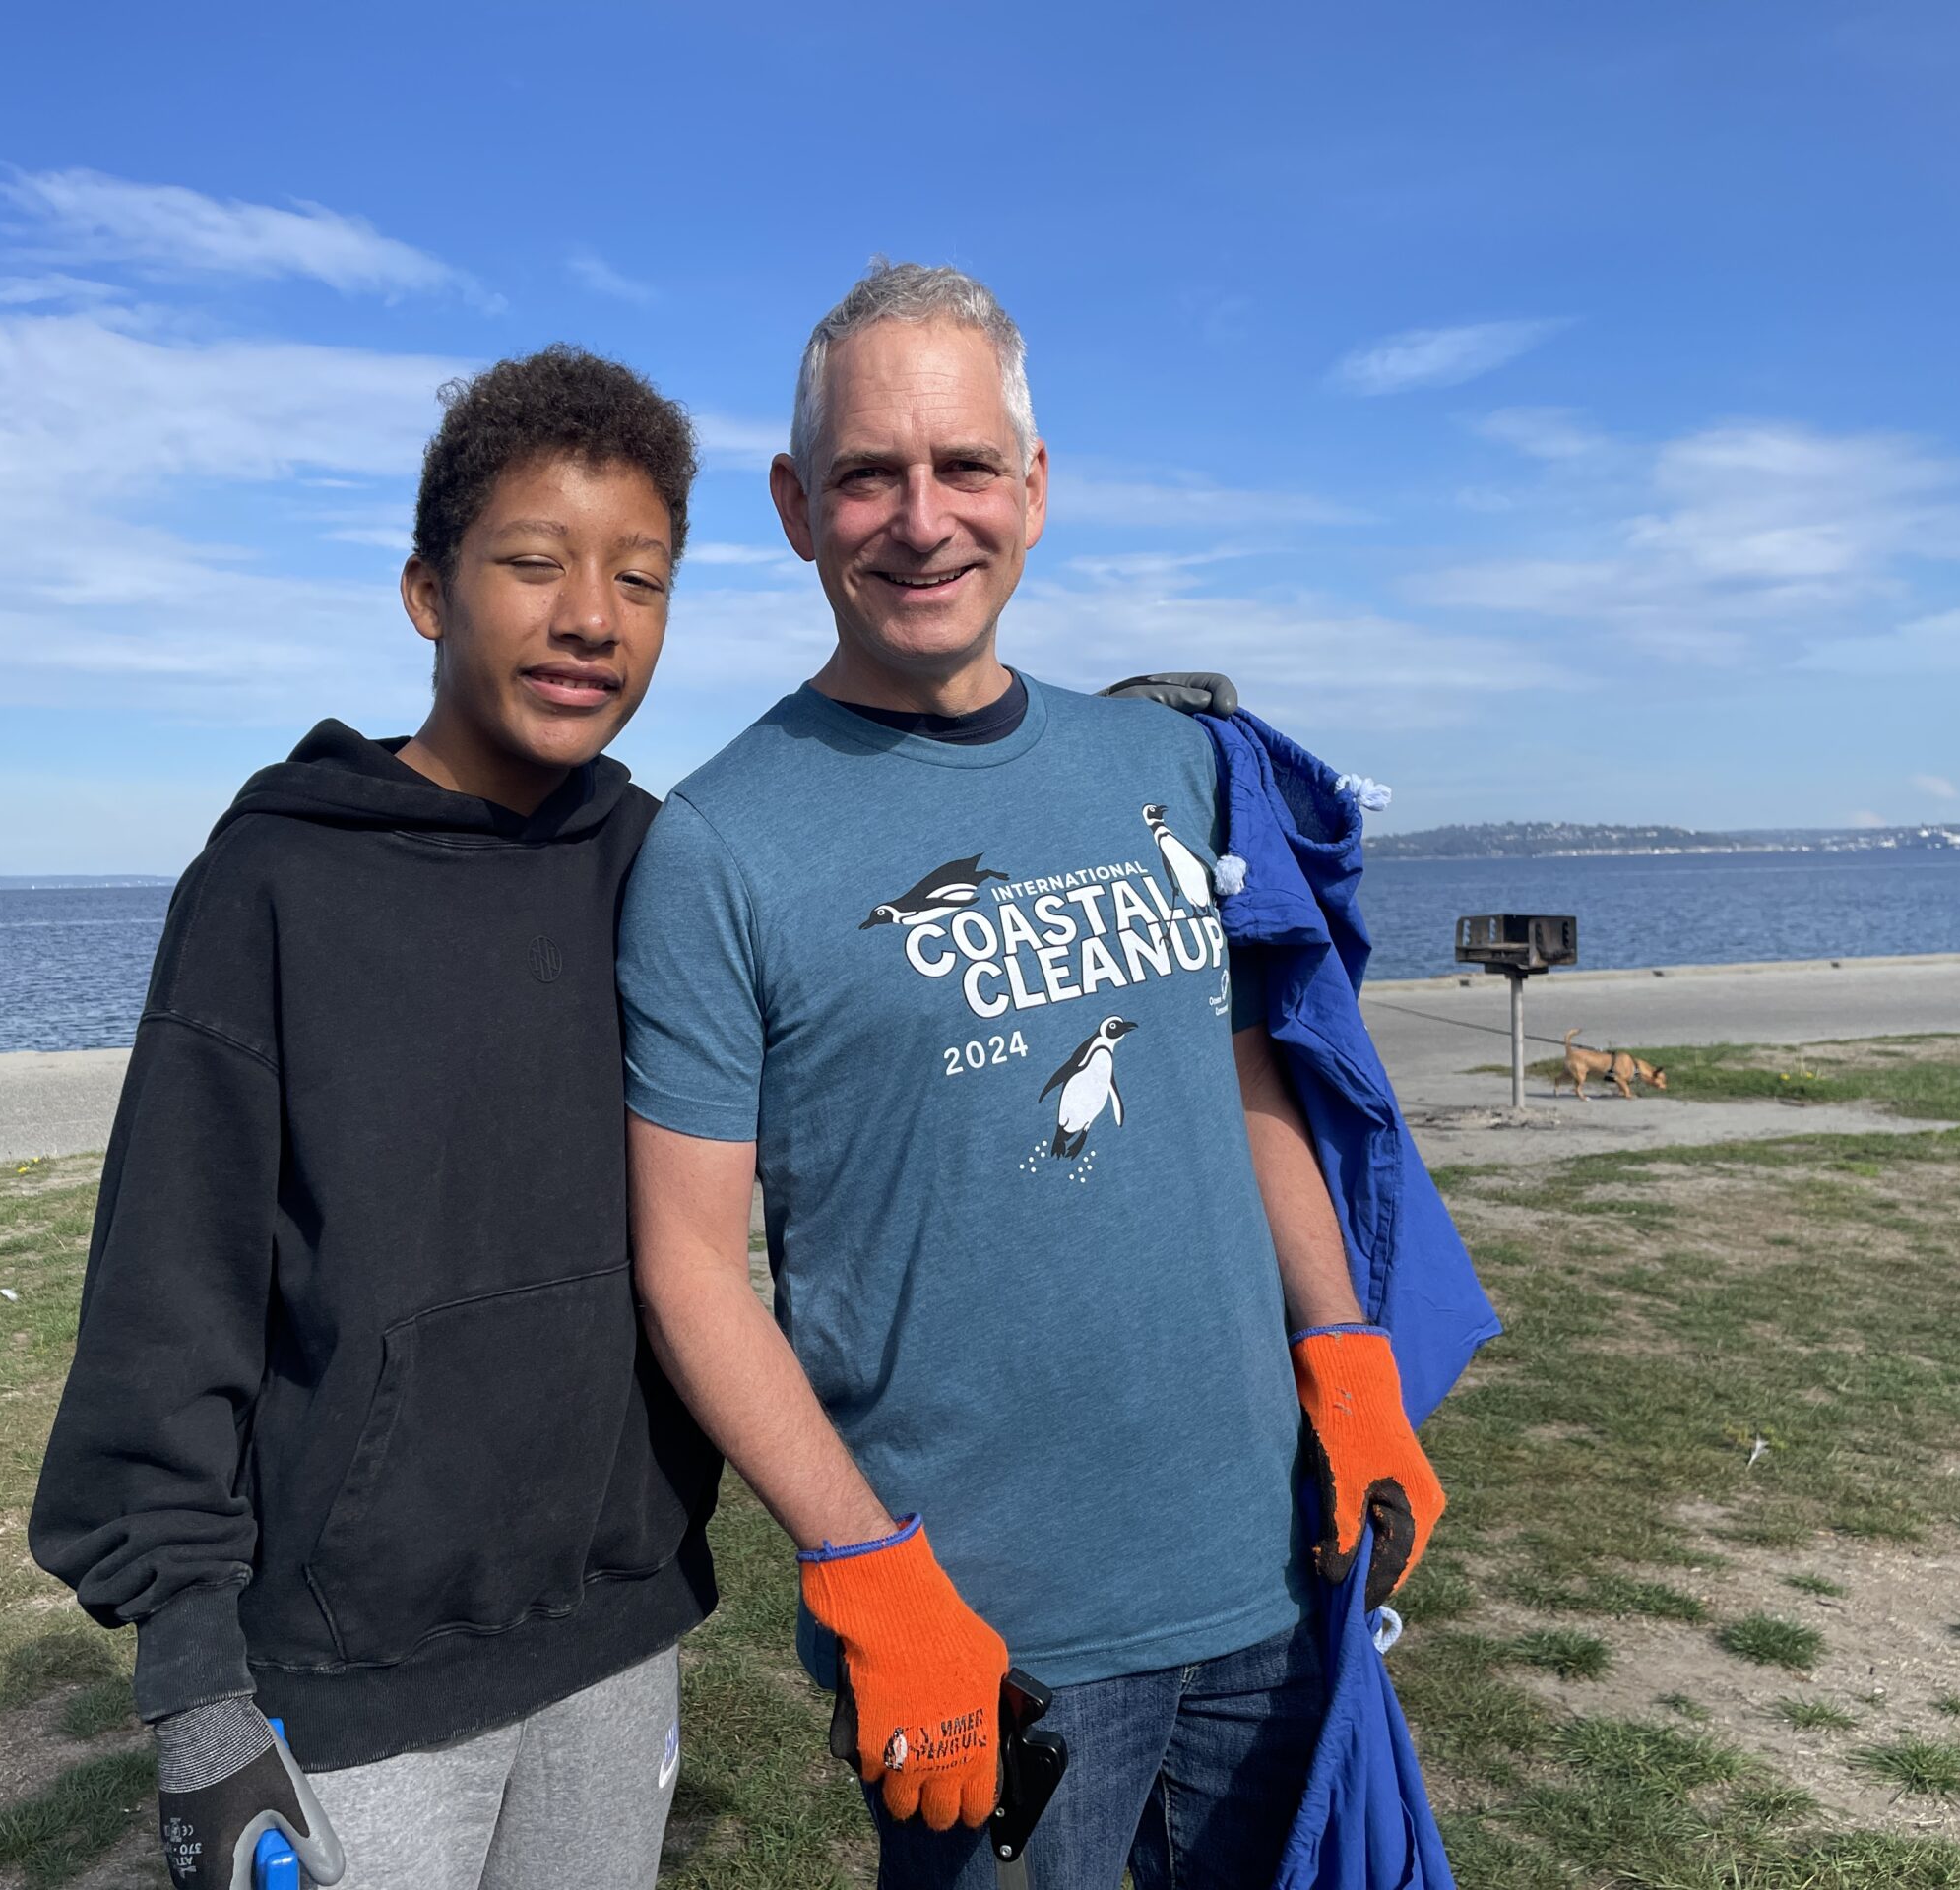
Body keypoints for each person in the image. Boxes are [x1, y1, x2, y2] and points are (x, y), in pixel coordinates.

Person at [615, 265, 1446, 1890]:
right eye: (868, 475)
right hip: (982, 1638)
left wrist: (1345, 1351)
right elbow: (688, 1265)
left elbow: (1244, 1083)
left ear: (1037, 489)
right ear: (796, 508)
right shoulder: (714, 847)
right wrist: (866, 1570)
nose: (922, 521)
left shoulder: (1168, 769)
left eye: (966, 467)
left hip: (1266, 1579)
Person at [30, 346, 721, 1890]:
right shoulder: (275, 886)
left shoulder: (664, 870)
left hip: (617, 1625)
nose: (591, 618)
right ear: (428, 590)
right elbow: (167, 1293)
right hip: (349, 1670)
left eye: (644, 578)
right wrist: (201, 1697)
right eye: (533, 564)